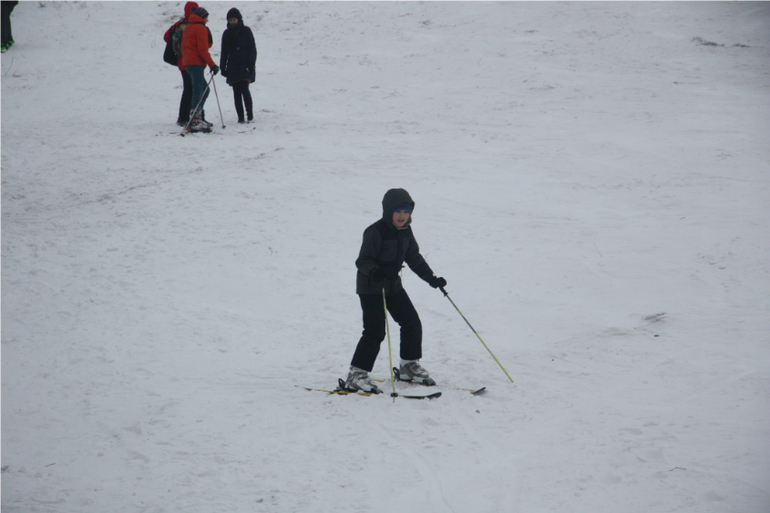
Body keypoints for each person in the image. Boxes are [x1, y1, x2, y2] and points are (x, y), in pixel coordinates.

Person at [344, 188, 447, 394]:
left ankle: (408, 366)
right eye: (398, 211)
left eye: (406, 212)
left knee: (411, 322)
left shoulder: (406, 232)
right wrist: (374, 272)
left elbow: (414, 258)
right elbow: (363, 260)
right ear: (388, 210)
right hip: (371, 287)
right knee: (375, 331)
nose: (402, 216)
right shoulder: (375, 231)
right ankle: (356, 374)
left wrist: (432, 279)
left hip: (393, 286)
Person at [181, 6, 219, 132]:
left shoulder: (188, 27)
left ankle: (196, 117)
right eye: (206, 17)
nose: (207, 20)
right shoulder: (200, 28)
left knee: (204, 90)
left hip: (187, 62)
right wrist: (212, 65)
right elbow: (203, 50)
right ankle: (195, 120)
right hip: (196, 62)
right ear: (202, 17)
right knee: (199, 90)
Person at [220, 8, 256, 124]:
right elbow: (224, 52)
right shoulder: (226, 34)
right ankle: (240, 117)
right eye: (230, 20)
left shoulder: (246, 31)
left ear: (239, 19)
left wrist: (251, 63)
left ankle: (249, 115)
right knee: (236, 92)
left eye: (234, 19)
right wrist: (223, 67)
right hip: (233, 66)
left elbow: (252, 48)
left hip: (245, 64)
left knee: (245, 89)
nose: (232, 22)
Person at [164, 1, 197, 126]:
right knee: (193, 89)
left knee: (187, 88)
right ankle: (188, 116)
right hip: (193, 61)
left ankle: (183, 117)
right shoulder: (195, 24)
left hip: (181, 62)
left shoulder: (178, 25)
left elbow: (166, 37)